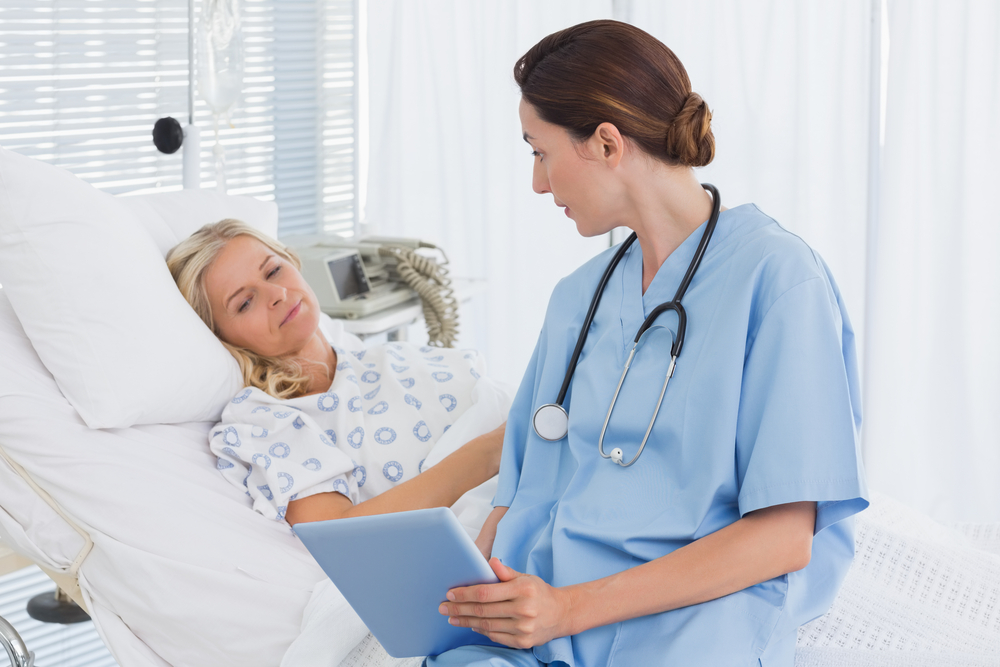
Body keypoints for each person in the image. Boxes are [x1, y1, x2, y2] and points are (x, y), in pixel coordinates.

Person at [431, 20, 868, 667]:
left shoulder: (777, 279)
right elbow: (517, 496)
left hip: (688, 623)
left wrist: (569, 608)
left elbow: (783, 539)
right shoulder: (577, 299)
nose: (538, 184)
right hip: (536, 626)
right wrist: (483, 602)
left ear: (606, 143)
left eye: (540, 152)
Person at [166, 219, 504, 525]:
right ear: (220, 337)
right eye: (244, 303)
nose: (277, 295)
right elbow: (342, 532)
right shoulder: (268, 422)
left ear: (293, 262)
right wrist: (492, 452)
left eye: (273, 272)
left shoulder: (390, 359)